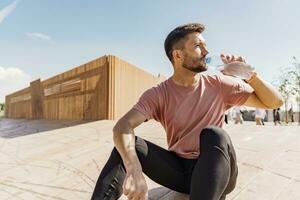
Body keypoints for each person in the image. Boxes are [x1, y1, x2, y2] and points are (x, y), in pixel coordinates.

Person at [91, 23, 283, 200]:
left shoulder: (219, 84)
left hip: (218, 169)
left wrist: (250, 75)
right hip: (180, 172)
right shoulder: (158, 94)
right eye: (198, 46)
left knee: (213, 134)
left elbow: (274, 102)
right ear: (178, 55)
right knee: (126, 145)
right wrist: (134, 168)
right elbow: (122, 127)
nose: (206, 51)